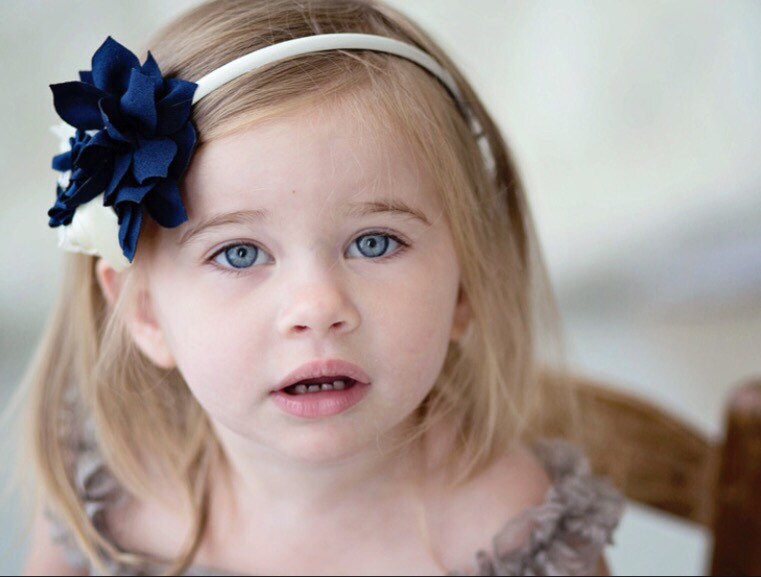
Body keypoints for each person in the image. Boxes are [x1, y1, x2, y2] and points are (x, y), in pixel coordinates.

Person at [14, 0, 625, 574]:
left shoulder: (515, 532)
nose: (318, 308)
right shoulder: (105, 498)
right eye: (240, 252)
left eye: (375, 242)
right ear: (144, 312)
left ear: (464, 287)